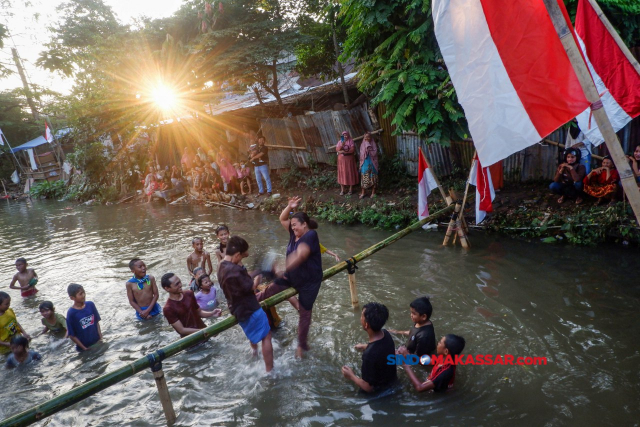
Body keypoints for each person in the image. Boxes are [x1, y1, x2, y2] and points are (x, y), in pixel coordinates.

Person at [256, 196, 323, 358]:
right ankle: (248, 303)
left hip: (309, 281)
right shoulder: (294, 234)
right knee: (269, 290)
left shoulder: (310, 236)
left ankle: (301, 345)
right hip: (293, 276)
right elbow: (282, 218)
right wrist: (289, 206)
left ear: (304, 224)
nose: (292, 228)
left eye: (295, 225)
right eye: (291, 226)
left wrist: (281, 267)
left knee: (305, 313)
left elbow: (300, 255)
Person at [218, 236, 274, 372]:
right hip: (250, 308)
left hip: (236, 308)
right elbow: (251, 287)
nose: (243, 259)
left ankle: (254, 352)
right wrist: (258, 278)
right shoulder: (235, 271)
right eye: (242, 256)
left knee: (252, 332)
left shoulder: (221, 266)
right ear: (236, 255)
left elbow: (240, 281)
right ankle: (270, 371)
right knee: (266, 336)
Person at [342, 302, 397, 393]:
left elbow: (369, 387)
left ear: (366, 325)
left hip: (378, 393)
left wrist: (351, 376)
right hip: (392, 381)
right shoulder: (386, 334)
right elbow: (381, 349)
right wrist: (366, 346)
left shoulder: (369, 355)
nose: (360, 318)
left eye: (361, 317)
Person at [398, 334, 466, 392]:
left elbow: (420, 388)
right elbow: (426, 361)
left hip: (438, 394)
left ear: (446, 351)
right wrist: (408, 355)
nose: (438, 343)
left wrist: (405, 365)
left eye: (440, 342)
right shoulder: (446, 358)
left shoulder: (445, 372)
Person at [161, 273, 221, 337]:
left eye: (180, 282)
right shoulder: (168, 308)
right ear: (167, 288)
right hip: (191, 340)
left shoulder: (189, 294)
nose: (180, 285)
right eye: (176, 284)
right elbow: (181, 330)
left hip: (205, 332)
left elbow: (199, 312)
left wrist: (212, 313)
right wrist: (204, 331)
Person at [66, 284, 102, 352]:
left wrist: (101, 338)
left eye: (83, 292)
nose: (83, 295)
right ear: (72, 298)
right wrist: (84, 348)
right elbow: (71, 335)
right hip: (84, 348)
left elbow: (96, 323)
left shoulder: (90, 305)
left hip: (97, 342)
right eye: (80, 294)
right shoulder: (71, 313)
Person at [336, 131, 359, 196]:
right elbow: (337, 149)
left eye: (346, 135)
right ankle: (342, 190)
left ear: (348, 135)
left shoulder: (351, 141)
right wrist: (342, 145)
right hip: (341, 161)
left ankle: (350, 189)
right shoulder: (340, 141)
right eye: (344, 135)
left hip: (349, 161)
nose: (345, 136)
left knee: (350, 173)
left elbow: (352, 149)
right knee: (342, 173)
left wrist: (344, 152)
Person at [359, 132, 379, 199]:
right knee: (364, 177)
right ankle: (363, 192)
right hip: (365, 163)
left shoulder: (373, 144)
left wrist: (369, 147)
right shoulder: (362, 144)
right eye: (365, 137)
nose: (367, 138)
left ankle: (373, 192)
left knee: (373, 177)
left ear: (371, 137)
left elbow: (374, 153)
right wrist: (366, 147)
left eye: (368, 137)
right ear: (364, 138)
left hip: (372, 163)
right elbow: (362, 154)